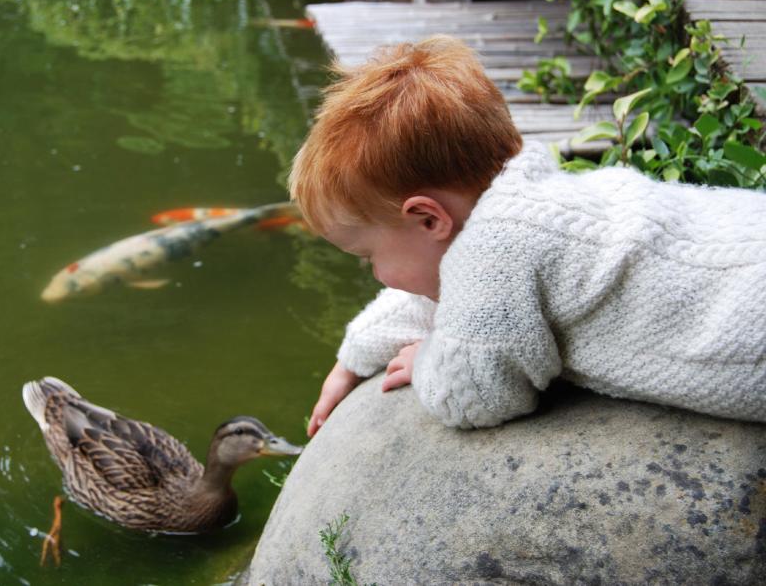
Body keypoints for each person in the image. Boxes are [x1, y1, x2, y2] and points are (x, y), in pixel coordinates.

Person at [290, 35, 766, 437]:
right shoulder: (523, 206)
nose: (377, 275)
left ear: (429, 219)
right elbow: (434, 294)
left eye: (365, 255)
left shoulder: (494, 253)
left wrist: (429, 358)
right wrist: (354, 357)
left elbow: (476, 394)